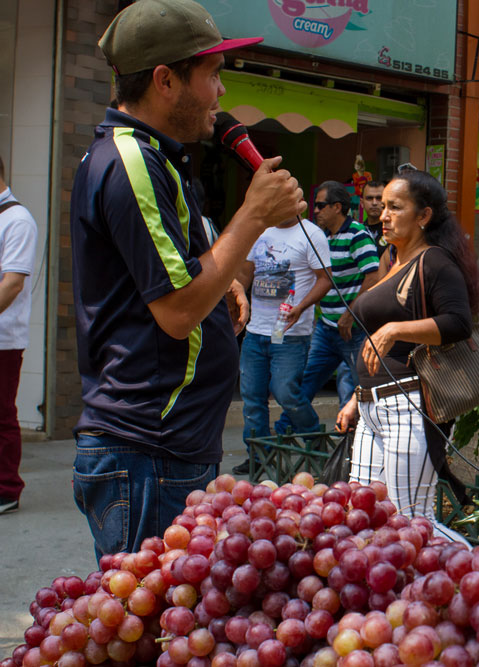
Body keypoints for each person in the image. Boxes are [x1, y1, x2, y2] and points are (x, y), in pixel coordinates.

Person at [70, 0, 306, 557]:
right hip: (148, 449)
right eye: (212, 75)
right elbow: (176, 312)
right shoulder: (131, 161)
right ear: (165, 80)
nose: (221, 93)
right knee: (151, 631)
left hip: (165, 447)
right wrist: (252, 215)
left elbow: (172, 276)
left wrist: (225, 280)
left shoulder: (158, 157)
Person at [334, 170, 478, 543]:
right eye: (382, 206)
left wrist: (396, 330)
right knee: (361, 512)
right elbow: (378, 336)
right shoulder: (390, 259)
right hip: (370, 406)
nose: (383, 215)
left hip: (410, 406)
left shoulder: (435, 262)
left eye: (395, 207)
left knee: (412, 521)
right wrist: (354, 399)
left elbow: (459, 322)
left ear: (424, 216)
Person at [272, 181, 379, 442]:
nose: (315, 210)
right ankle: (281, 437)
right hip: (326, 327)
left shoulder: (357, 234)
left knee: (362, 388)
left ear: (337, 207)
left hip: (352, 330)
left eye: (320, 205)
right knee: (305, 383)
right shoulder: (323, 236)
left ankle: (360, 445)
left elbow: (373, 277)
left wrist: (350, 314)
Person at [234, 216, 332, 473]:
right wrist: (237, 299)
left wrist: (301, 307)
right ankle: (259, 455)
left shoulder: (311, 234)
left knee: (285, 392)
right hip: (256, 331)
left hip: (290, 332)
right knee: (252, 398)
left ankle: (316, 443)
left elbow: (325, 278)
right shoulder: (260, 229)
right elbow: (246, 272)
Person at [0, 155, 37, 515]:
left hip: (3, 339)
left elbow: (11, 283)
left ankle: (6, 489)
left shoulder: (17, 219)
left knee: (1, 415)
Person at [360, 180, 388, 257]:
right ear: (362, 203)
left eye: (379, 198)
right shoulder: (357, 231)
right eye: (369, 198)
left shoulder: (395, 231)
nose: (374, 203)